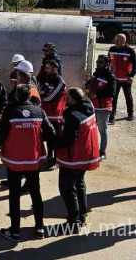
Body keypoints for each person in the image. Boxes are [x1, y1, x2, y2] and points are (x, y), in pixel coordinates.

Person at [0, 84, 56, 242]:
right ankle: (40, 228)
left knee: (14, 195)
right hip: (33, 160)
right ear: (30, 96)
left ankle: (15, 231)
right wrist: (35, 139)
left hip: (13, 160)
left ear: (16, 96)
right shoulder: (39, 111)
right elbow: (51, 132)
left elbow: (0, 136)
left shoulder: (10, 112)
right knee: (35, 193)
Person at [55, 88, 100, 233]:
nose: (65, 99)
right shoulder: (89, 107)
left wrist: (54, 142)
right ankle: (82, 215)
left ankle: (73, 221)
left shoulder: (72, 115)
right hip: (86, 155)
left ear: (73, 99)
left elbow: (69, 139)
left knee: (67, 188)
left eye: (67, 97)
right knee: (79, 184)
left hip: (73, 157)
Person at [85, 54, 117, 159]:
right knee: (91, 129)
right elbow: (90, 83)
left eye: (101, 62)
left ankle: (102, 152)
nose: (98, 64)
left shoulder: (110, 77)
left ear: (107, 64)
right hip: (93, 106)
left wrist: (96, 94)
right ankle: (92, 149)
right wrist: (88, 85)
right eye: (98, 62)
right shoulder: (96, 73)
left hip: (103, 108)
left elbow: (112, 93)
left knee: (103, 130)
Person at [38, 60, 66, 169]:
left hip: (56, 116)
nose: (46, 70)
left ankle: (56, 161)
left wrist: (43, 97)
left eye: (48, 68)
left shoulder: (60, 82)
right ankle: (49, 158)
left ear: (55, 69)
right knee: (49, 137)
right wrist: (43, 95)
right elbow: (40, 91)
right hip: (47, 114)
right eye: (46, 68)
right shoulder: (48, 79)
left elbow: (51, 97)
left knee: (56, 139)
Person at [108, 33, 136, 121]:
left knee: (128, 97)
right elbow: (108, 62)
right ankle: (112, 116)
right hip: (114, 79)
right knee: (113, 98)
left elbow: (135, 64)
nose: (116, 41)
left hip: (126, 79)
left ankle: (130, 114)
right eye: (116, 39)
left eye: (118, 40)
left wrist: (132, 75)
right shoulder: (112, 49)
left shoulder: (130, 50)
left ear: (123, 41)